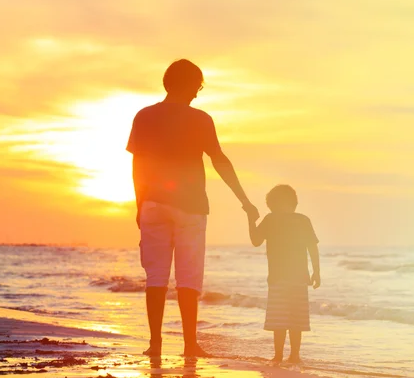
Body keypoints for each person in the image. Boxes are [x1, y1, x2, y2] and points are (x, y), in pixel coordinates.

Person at [126, 59, 259, 357]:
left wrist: (140, 204)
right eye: (197, 87)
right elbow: (219, 160)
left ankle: (155, 345)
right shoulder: (200, 119)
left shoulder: (144, 116)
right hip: (191, 206)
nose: (198, 94)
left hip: (153, 204)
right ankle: (189, 345)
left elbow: (138, 166)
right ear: (187, 85)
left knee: (156, 276)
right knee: (188, 277)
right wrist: (244, 200)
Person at [247, 184, 320, 365]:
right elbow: (313, 247)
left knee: (279, 319)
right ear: (293, 202)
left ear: (273, 203)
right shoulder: (302, 220)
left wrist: (250, 219)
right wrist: (316, 271)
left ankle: (279, 355)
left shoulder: (272, 219)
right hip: (298, 278)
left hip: (280, 278)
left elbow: (255, 240)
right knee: (296, 319)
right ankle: (293, 355)